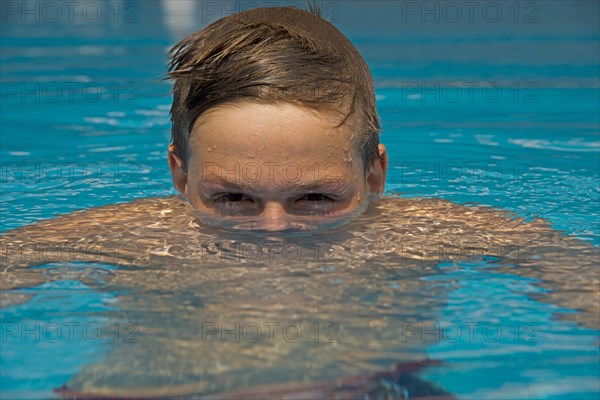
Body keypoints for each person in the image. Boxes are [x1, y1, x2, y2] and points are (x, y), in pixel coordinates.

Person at [0, 5, 598, 329]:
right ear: (180, 175)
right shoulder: (120, 238)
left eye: (316, 200)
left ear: (374, 177)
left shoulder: (437, 234)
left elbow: (562, 266)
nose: (274, 232)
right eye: (233, 199)